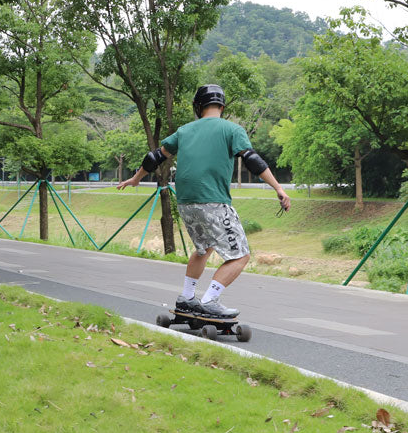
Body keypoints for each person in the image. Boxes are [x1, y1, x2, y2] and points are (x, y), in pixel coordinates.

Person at [118, 84, 290, 318]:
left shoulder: (184, 130)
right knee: (240, 255)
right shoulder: (232, 129)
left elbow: (155, 156)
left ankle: (187, 298)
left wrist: (136, 178)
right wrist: (278, 187)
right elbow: (251, 159)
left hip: (186, 202)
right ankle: (210, 300)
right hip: (213, 201)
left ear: (198, 107)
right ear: (221, 106)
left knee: (204, 248)